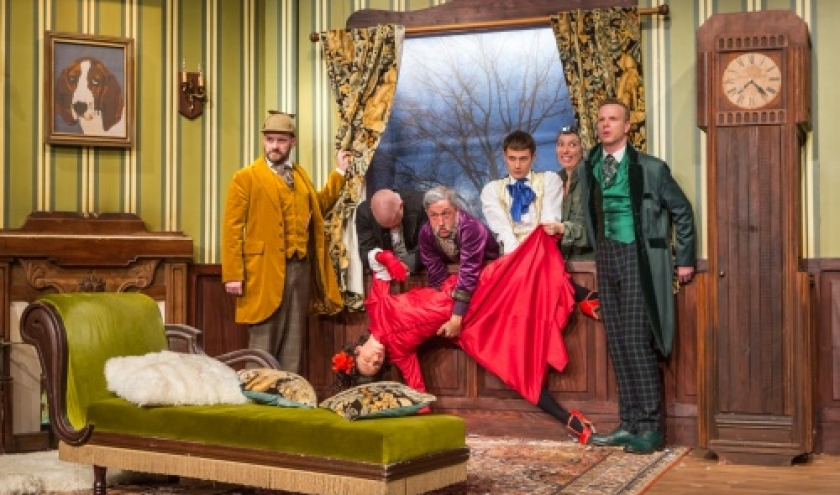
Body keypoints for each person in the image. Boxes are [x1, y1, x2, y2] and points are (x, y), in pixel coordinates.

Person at [333, 186, 596, 444]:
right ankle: (569, 420)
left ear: (357, 350)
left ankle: (583, 294)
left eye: (367, 360)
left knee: (516, 267)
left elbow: (379, 267)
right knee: (512, 368)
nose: (375, 359)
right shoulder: (400, 354)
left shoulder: (375, 307)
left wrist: (387, 258)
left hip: (464, 296)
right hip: (466, 326)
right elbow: (418, 389)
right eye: (376, 366)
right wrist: (419, 425)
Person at [581, 99, 696, 455]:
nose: (605, 125)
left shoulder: (651, 167)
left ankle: (650, 427)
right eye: (601, 119)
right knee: (617, 341)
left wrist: (684, 260)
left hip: (638, 256)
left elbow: (683, 211)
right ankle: (629, 423)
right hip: (607, 256)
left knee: (635, 340)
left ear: (627, 126)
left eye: (613, 119)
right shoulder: (590, 166)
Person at [221, 110, 351, 374]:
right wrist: (233, 274)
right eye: (270, 140)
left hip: (299, 268)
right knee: (263, 342)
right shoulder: (246, 177)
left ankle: (289, 392)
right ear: (263, 141)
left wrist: (339, 172)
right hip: (263, 270)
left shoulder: (299, 176)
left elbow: (318, 207)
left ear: (292, 142)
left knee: (294, 341)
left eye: (281, 140)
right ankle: (256, 393)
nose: (274, 146)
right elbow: (232, 229)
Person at [480, 130, 599, 319]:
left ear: (533, 157)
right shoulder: (492, 190)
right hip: (513, 257)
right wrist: (520, 259)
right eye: (512, 158)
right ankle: (579, 292)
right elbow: (503, 231)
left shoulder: (550, 181)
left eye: (523, 159)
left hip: (543, 251)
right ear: (504, 157)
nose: (517, 165)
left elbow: (547, 224)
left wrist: (531, 255)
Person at [355, 188, 428, 275]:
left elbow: (429, 246)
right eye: (387, 226)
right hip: (386, 273)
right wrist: (379, 256)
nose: (393, 229)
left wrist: (405, 264)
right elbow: (365, 251)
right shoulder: (364, 213)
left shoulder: (421, 205)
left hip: (419, 269)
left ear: (401, 205)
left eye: (396, 223)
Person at [554, 125, 594, 261]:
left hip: (587, 263)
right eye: (561, 144)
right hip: (559, 263)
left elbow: (597, 232)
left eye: (572, 145)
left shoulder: (592, 180)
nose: (565, 150)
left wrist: (563, 229)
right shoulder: (554, 182)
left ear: (582, 149)